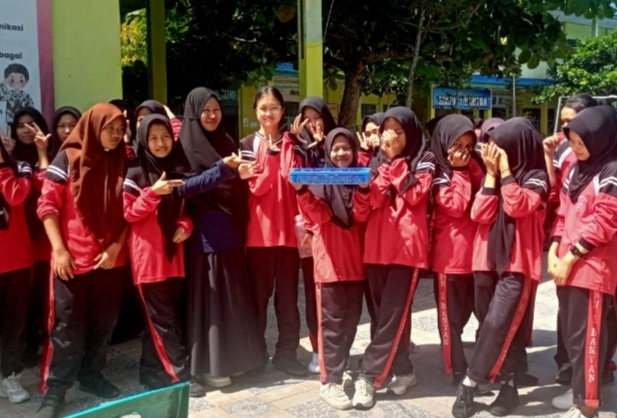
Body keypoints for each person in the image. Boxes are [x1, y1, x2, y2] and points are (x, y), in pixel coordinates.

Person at [35, 103, 131, 418]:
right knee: (66, 328)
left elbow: (130, 212)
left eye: (120, 129)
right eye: (109, 128)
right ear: (93, 127)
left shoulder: (123, 159)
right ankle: (56, 389)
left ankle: (91, 374)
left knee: (104, 324)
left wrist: (116, 248)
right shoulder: (67, 158)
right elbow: (47, 206)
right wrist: (60, 250)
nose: (115, 135)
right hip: (72, 261)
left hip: (110, 261)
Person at [452, 118, 548, 418]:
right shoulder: (490, 175)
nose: (491, 153)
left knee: (498, 325)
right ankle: (508, 387)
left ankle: (469, 383)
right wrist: (492, 175)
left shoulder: (537, 178)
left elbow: (518, 206)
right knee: (491, 328)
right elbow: (479, 213)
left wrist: (505, 172)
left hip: (516, 264)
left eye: (499, 148)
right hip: (485, 260)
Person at [177, 87, 263, 390]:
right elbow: (184, 188)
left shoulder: (226, 141)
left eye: (216, 109)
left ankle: (235, 361)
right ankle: (209, 366)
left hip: (231, 231)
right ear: (194, 113)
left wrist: (240, 176)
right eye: (206, 110)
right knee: (211, 302)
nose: (212, 115)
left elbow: (232, 182)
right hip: (204, 235)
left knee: (231, 299)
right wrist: (222, 170)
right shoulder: (183, 146)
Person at [352, 107, 435, 409]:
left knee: (390, 316)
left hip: (406, 250)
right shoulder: (376, 161)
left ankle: (368, 375)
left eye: (398, 132)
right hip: (376, 247)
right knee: (383, 316)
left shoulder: (424, 159)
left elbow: (415, 195)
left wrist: (396, 159)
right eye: (386, 132)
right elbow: (372, 200)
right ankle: (403, 369)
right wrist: (383, 165)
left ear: (409, 132)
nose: (391, 138)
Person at [548, 106, 617, 418]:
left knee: (588, 338)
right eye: (572, 141)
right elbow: (562, 214)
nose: (575, 148)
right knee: (574, 339)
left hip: (591, 268)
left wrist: (570, 258)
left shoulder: (611, 170)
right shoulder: (577, 169)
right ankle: (580, 393)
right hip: (566, 265)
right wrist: (553, 252)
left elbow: (605, 222)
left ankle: (587, 406)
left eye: (581, 142)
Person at [292, 128, 366, 410]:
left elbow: (363, 214)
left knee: (350, 322)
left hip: (357, 265)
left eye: (346, 148)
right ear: (327, 152)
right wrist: (301, 190)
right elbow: (319, 215)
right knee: (331, 327)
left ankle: (340, 365)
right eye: (335, 148)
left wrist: (365, 187)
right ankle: (330, 381)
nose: (341, 153)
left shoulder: (360, 180)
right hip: (329, 265)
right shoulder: (320, 183)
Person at [123, 114, 197, 394]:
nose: (161, 143)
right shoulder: (134, 172)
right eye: (153, 138)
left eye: (165, 136)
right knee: (162, 320)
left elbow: (187, 211)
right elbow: (128, 213)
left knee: (162, 319)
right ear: (143, 140)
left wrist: (185, 225)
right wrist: (153, 193)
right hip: (148, 259)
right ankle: (180, 374)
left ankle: (151, 371)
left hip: (173, 256)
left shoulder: (178, 170)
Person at [241, 86, 308, 376]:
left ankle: (287, 353)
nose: (269, 113)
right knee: (258, 300)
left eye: (274, 107)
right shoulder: (246, 144)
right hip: (259, 236)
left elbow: (297, 182)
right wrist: (269, 156)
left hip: (290, 235)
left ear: (283, 111)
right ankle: (255, 355)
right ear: (255, 111)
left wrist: (295, 146)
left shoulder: (293, 144)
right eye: (263, 108)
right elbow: (255, 188)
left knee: (288, 300)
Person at [429, 115, 483, 385]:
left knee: (483, 314)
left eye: (469, 146)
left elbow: (486, 191)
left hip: (478, 256)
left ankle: (485, 367)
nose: (463, 151)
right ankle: (456, 368)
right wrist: (460, 171)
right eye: (457, 145)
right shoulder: (437, 171)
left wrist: (469, 165)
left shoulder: (475, 164)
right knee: (450, 320)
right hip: (449, 258)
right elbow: (456, 205)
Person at [10, 108, 53, 368]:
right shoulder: (9, 158)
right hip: (20, 239)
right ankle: (26, 345)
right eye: (20, 125)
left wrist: (41, 152)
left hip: (46, 237)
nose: (26, 130)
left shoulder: (52, 154)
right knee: (21, 299)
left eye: (31, 124)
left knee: (45, 295)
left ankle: (47, 343)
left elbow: (46, 187)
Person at [0, 135, 35, 404]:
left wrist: (2, 165)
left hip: (17, 261)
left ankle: (9, 374)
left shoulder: (20, 168)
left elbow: (15, 195)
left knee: (14, 323)